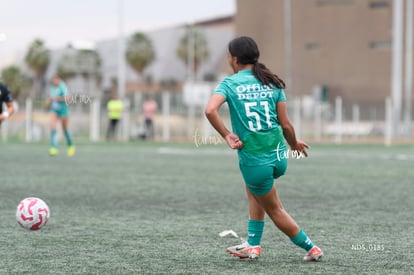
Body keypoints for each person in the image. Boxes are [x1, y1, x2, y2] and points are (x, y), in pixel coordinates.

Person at [205, 36, 323, 261]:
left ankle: (311, 247)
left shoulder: (229, 84)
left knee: (275, 209)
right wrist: (294, 144)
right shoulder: (271, 81)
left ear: (234, 58)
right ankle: (253, 245)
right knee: (254, 190)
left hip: (256, 159)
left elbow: (210, 111)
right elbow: (286, 124)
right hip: (280, 155)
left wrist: (227, 135)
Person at [46, 75, 75, 156]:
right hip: (54, 110)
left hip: (63, 111)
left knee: (64, 129)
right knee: (52, 127)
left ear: (59, 80)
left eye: (56, 80)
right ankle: (54, 148)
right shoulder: (52, 88)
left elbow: (68, 98)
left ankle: (70, 145)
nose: (54, 82)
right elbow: (51, 98)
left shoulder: (63, 87)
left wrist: (56, 98)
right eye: (53, 80)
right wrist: (49, 101)